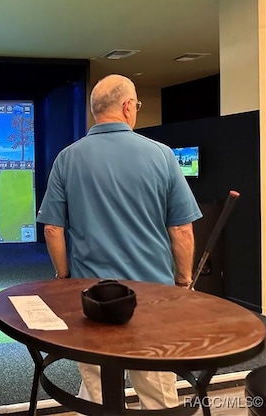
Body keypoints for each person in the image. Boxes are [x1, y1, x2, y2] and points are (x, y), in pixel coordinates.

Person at [36, 74, 202, 409]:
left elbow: (52, 230)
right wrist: (183, 283)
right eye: (137, 105)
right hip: (153, 296)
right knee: (158, 395)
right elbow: (181, 231)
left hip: (93, 299)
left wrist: (64, 279)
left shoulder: (68, 158)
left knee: (98, 393)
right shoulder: (162, 155)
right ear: (128, 107)